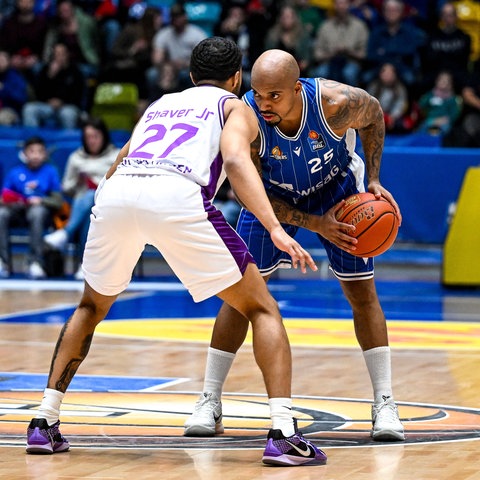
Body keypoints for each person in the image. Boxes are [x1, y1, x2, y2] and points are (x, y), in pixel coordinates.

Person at [25, 37, 326, 467]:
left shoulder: (162, 102)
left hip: (118, 191)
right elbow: (238, 162)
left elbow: (122, 158)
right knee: (262, 309)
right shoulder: (234, 107)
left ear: (190, 76)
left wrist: (108, 204)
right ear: (237, 78)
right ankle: (283, 432)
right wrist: (276, 228)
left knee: (90, 306)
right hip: (178, 195)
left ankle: (44, 421)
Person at [183, 49, 405, 443]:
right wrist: (312, 223)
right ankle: (209, 399)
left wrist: (372, 179)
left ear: (298, 89)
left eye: (275, 96)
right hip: (270, 199)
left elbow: (374, 118)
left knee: (362, 294)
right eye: (258, 93)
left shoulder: (335, 103)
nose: (264, 104)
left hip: (336, 192)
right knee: (240, 297)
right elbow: (242, 179)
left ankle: (385, 402)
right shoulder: (246, 116)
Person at [43, 117, 120, 280]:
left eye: (95, 136)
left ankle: (65, 233)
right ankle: (85, 267)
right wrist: (77, 182)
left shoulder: (116, 156)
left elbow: (121, 187)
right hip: (81, 206)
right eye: (88, 137)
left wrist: (98, 184)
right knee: (88, 213)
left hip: (109, 207)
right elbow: (67, 188)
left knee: (92, 196)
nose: (91, 141)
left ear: (104, 136)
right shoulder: (76, 157)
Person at [0, 136, 63, 279]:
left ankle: (35, 262)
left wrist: (41, 200)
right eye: (31, 151)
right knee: (1, 213)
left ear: (45, 154)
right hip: (18, 211)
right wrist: (13, 201)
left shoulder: (50, 172)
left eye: (39, 152)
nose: (35, 155)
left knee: (37, 212)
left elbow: (58, 201)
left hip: (42, 213)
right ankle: (3, 262)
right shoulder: (15, 172)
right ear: (24, 154)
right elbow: (4, 197)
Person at [22, 41, 85, 129]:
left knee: (67, 114)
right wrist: (50, 77)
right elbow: (38, 93)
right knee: (29, 109)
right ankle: (32, 139)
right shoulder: (45, 70)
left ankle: (67, 140)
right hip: (47, 106)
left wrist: (61, 102)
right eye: (56, 54)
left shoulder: (76, 72)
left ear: (67, 54)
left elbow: (78, 94)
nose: (59, 57)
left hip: (67, 106)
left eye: (62, 54)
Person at [310, 0, 369, 86]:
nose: (341, 6)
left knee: (349, 74)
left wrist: (348, 51)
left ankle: (354, 99)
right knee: (319, 74)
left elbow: (365, 54)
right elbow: (317, 54)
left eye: (344, 3)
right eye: (338, 3)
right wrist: (332, 53)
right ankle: (320, 99)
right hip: (329, 62)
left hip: (351, 61)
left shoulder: (359, 26)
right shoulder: (325, 26)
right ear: (334, 6)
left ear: (349, 5)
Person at [416, 70, 462, 136]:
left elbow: (454, 113)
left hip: (444, 121)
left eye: (446, 81)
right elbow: (421, 105)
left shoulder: (452, 99)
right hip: (431, 120)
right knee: (422, 128)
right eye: (441, 80)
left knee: (446, 129)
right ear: (436, 81)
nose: (443, 82)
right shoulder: (430, 95)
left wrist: (446, 119)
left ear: (450, 84)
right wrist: (432, 119)